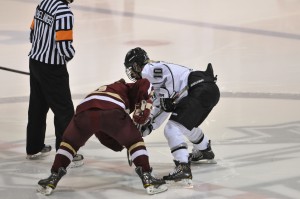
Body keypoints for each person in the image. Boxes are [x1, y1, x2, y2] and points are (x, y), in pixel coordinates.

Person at [37, 78, 168, 195]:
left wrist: (119, 144)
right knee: (135, 142)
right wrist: (143, 107)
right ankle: (148, 178)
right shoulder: (127, 87)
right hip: (111, 108)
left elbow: (103, 133)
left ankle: (52, 178)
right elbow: (145, 83)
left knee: (68, 144)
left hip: (84, 111)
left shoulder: (107, 89)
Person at [124, 47, 220, 187]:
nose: (131, 73)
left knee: (171, 129)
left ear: (137, 65)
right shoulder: (154, 82)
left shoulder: (148, 70)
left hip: (199, 87)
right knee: (184, 125)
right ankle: (204, 150)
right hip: (208, 90)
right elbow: (161, 108)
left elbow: (166, 74)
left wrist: (167, 96)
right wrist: (148, 126)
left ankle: (183, 166)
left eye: (131, 68)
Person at [26, 0, 83, 165]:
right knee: (64, 110)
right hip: (52, 68)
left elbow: (32, 32)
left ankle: (34, 147)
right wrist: (69, 55)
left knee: (37, 106)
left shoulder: (44, 3)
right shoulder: (64, 12)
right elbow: (64, 47)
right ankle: (66, 152)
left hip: (35, 61)